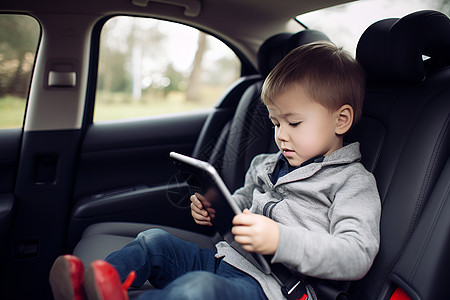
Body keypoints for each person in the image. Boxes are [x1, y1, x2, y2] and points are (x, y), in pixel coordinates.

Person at [49, 41, 381, 300]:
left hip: (271, 289)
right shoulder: (266, 165)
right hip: (225, 260)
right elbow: (240, 206)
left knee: (197, 290)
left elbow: (356, 255)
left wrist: (279, 240)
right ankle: (91, 285)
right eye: (275, 122)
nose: (281, 134)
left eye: (294, 122)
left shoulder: (352, 183)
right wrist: (215, 209)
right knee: (154, 243)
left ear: (342, 120)